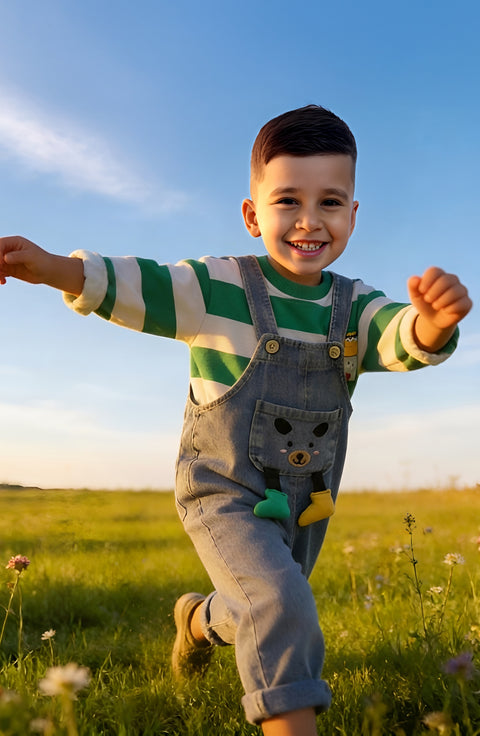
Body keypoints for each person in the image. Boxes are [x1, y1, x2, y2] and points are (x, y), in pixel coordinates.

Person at [0, 105, 472, 735]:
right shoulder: (219, 287)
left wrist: (434, 323)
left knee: (260, 603)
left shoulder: (354, 306)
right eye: (287, 201)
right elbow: (142, 283)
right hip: (224, 492)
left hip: (306, 502)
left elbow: (397, 337)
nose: (310, 220)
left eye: (331, 201)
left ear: (354, 214)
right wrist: (54, 267)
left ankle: (196, 621)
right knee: (281, 601)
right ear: (253, 215)